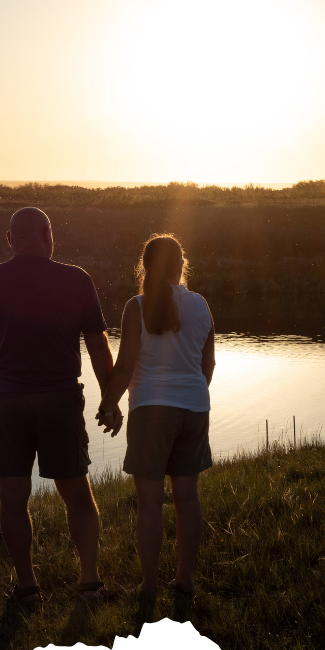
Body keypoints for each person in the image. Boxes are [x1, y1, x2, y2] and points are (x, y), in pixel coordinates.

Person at [0, 207, 120, 603]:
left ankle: (27, 587)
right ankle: (89, 584)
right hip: (58, 401)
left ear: (9, 239)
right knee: (77, 494)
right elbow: (99, 347)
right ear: (48, 235)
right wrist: (110, 400)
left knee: (13, 496)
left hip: (5, 401)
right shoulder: (76, 279)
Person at [97, 234, 215, 606]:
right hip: (195, 409)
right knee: (186, 496)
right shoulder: (201, 305)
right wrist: (191, 393)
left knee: (149, 501)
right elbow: (207, 364)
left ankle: (149, 586)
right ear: (182, 264)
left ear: (145, 266)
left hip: (151, 411)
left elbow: (127, 365)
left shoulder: (137, 306)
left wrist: (108, 404)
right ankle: (185, 579)